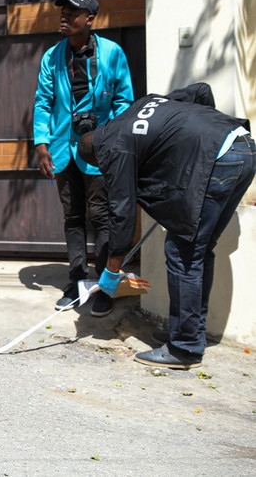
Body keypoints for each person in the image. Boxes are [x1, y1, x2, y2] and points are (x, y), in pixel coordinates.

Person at [78, 83, 254, 369]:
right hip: (243, 146)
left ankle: (185, 348)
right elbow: (201, 91)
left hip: (220, 161)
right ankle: (189, 333)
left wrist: (111, 270)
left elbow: (122, 213)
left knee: (183, 254)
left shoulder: (113, 149)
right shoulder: (136, 109)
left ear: (98, 159)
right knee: (198, 250)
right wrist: (201, 139)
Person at [33, 0, 135, 316]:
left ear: (89, 19)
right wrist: (41, 144)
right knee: (73, 217)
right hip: (63, 149)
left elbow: (124, 102)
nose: (64, 16)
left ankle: (106, 286)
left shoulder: (112, 54)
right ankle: (77, 280)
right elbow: (43, 102)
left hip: (100, 150)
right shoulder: (52, 57)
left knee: (102, 217)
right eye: (62, 11)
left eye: (72, 12)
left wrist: (114, 142)